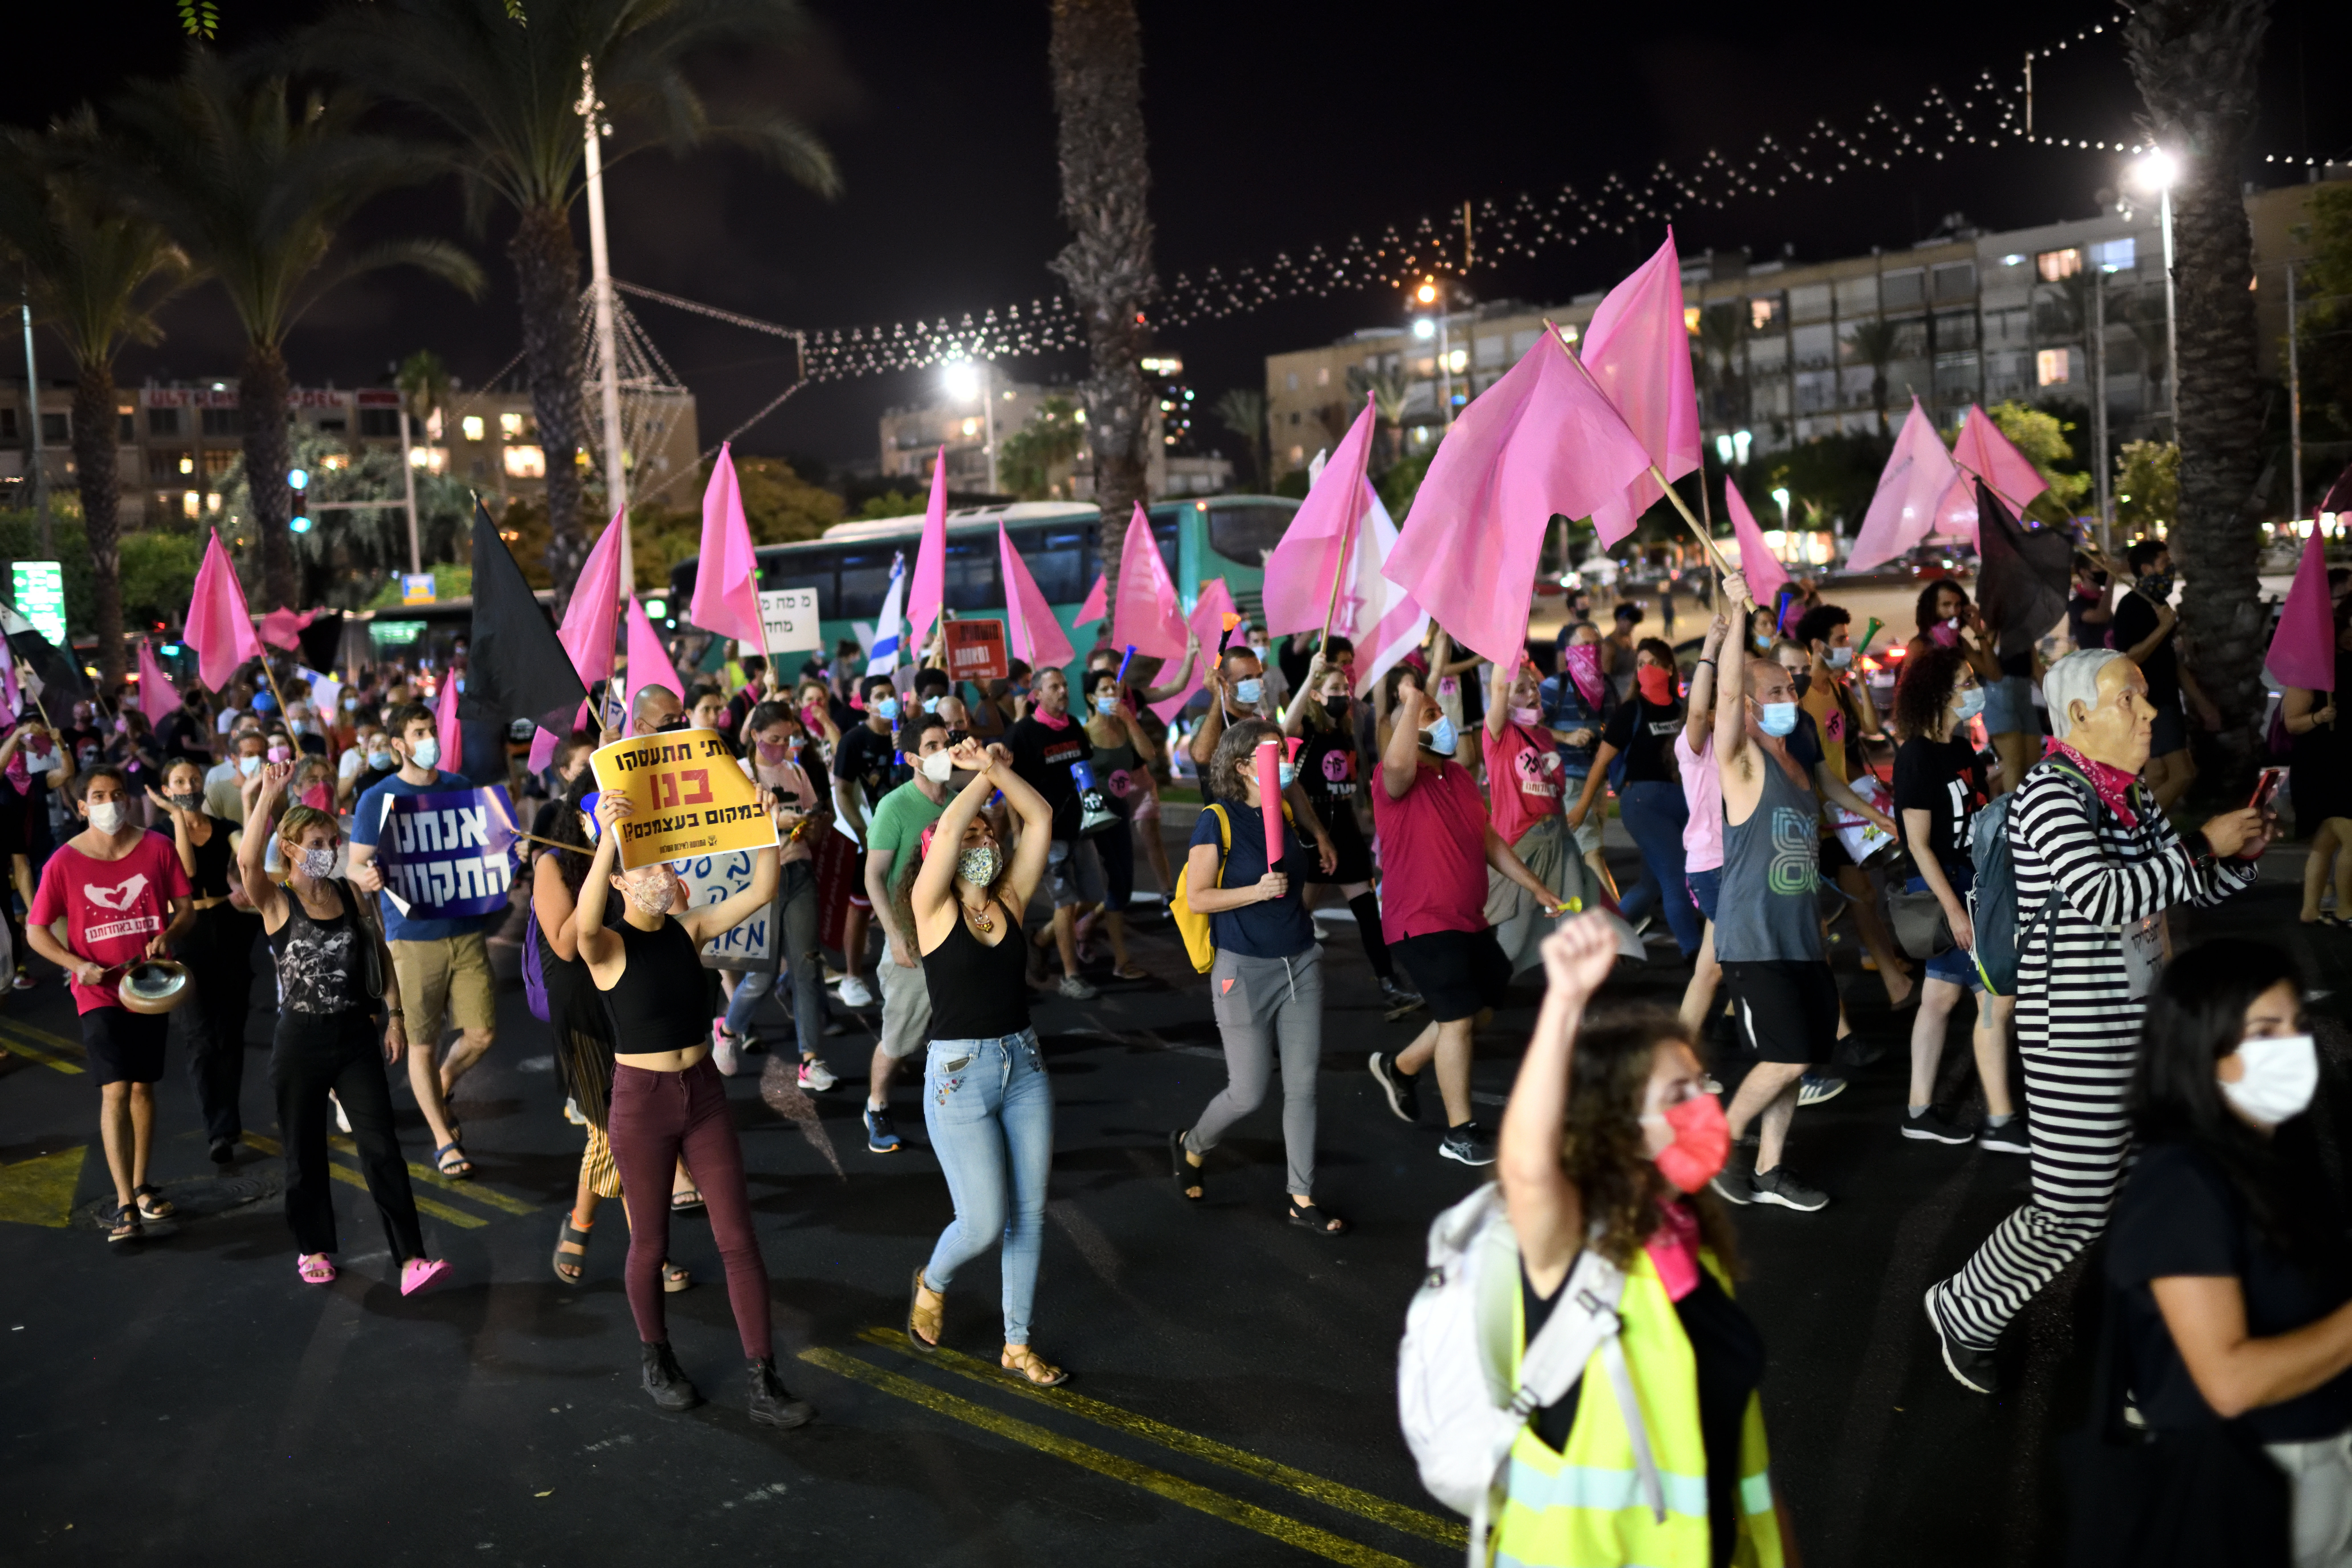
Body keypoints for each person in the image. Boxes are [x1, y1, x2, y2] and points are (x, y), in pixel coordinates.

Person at [1925, 648, 2270, 1394]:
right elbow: (2103, 896)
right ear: (2079, 716)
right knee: (2073, 1206)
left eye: (2147, 700)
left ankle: (2166, 1348)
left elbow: (2165, 883)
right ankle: (1963, 1307)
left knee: (2156, 1185)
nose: (2149, 714)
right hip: (2075, 1032)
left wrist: (2233, 859)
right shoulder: (2050, 795)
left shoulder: (2130, 796)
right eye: (2130, 701)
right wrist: (2204, 846)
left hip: (2141, 1020)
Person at [1492, 914, 1792, 1567]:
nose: (1705, 1106)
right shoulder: (1572, 1252)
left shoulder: (1688, 1239)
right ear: (1618, 1124)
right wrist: (1564, 1003)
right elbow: (1527, 1168)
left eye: (1700, 1084)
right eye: (1679, 1094)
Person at [2097, 941, 2352, 1567]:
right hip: (2247, 1489)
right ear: (2202, 1045)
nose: (2294, 1046)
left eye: (2296, 1025)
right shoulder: (2181, 1182)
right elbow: (2229, 1382)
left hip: (2321, 1462)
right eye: (2265, 1031)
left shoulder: (2275, 1154)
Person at [577, 787, 814, 1427]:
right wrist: (607, 841)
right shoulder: (608, 948)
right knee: (650, 1241)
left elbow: (764, 887)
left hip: (703, 1093)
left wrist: (765, 823)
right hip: (642, 1101)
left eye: (668, 863)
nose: (668, 875)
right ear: (624, 881)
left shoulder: (690, 927)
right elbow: (580, 927)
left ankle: (764, 1377)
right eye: (652, 868)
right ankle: (657, 1357)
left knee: (738, 1237)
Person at [239, 763, 452, 1295]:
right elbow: (246, 862)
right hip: (301, 1041)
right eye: (318, 840)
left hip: (355, 1035)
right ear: (290, 848)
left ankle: (411, 1258)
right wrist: (267, 795)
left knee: (382, 1146)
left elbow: (379, 953)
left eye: (333, 839)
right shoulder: (277, 900)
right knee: (304, 1150)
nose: (330, 847)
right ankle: (312, 1248)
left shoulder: (351, 894)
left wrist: (396, 1015)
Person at [901, 737, 1069, 1387]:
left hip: (1023, 1065)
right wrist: (975, 780)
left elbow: (1043, 819)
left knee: (1029, 1213)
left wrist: (998, 769)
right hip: (958, 1078)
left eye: (986, 830)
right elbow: (946, 825)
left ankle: (1017, 1343)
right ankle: (934, 1279)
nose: (980, 838)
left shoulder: (1011, 901)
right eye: (969, 833)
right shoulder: (931, 907)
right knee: (982, 1220)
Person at [1366, 672, 1565, 1167]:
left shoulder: (1457, 777)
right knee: (1457, 1019)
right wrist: (1411, 700)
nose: (1443, 720)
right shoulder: (1394, 778)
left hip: (1468, 917)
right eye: (1432, 714)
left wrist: (1536, 885)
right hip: (1420, 919)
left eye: (1439, 711)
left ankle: (1402, 1066)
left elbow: (1488, 840)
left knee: (1483, 1006)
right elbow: (1394, 760)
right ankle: (1460, 1131)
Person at [1170, 719, 1347, 1235]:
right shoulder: (1216, 819)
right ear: (1244, 765)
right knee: (1248, 1091)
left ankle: (1300, 1196)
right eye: (1276, 752)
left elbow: (1297, 804)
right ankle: (1192, 1144)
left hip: (1301, 964)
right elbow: (1199, 896)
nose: (1287, 758)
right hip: (1242, 971)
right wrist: (1257, 890)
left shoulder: (1283, 809)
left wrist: (1318, 835)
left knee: (1303, 1087)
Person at [1703, 574, 1839, 1213]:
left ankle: (1771, 1166)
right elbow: (1728, 692)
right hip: (1754, 938)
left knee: (1803, 1055)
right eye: (1779, 690)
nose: (1791, 695)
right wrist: (1734, 614)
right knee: (1786, 1057)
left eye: (1791, 687)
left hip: (1804, 940)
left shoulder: (1797, 767)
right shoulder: (1744, 762)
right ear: (1755, 707)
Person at [534, 770, 689, 1294]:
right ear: (582, 817)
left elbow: (677, 909)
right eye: (602, 811)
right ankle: (652, 1252)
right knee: (615, 1132)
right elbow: (565, 943)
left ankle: (580, 1222)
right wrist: (603, 863)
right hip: (583, 1013)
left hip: (628, 1002)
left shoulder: (638, 854)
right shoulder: (553, 864)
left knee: (614, 1132)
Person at [26, 765, 194, 1244]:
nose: (109, 803)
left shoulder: (158, 847)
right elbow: (36, 929)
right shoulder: (63, 861)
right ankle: (124, 1203)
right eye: (98, 795)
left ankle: (142, 1184)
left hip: (149, 985)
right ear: (81, 807)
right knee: (116, 1089)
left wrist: (168, 934)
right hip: (97, 992)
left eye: (117, 793)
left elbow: (184, 908)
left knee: (143, 1088)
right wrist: (75, 964)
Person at [346, 702, 498, 1179]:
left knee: (482, 1033)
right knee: (422, 1043)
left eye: (432, 728)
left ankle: (446, 1080)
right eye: (419, 731)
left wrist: (506, 849)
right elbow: (354, 863)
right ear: (398, 745)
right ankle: (443, 1138)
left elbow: (485, 844)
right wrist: (364, 877)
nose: (430, 737)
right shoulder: (377, 798)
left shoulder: (458, 787)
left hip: (466, 930)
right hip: (412, 936)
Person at [1887, 645, 2025, 1154]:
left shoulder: (1961, 747)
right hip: (1948, 889)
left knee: (1940, 998)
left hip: (1971, 882)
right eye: (1966, 681)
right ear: (1941, 692)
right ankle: (2001, 1119)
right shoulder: (1916, 756)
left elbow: (1975, 812)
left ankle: (1919, 1110)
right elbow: (1917, 843)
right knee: (1993, 997)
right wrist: (1951, 907)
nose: (1975, 689)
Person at [1792, 602, 1914, 1007]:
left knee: (1863, 894)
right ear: (1817, 645)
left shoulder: (1837, 691)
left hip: (1842, 810)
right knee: (1829, 911)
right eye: (1841, 640)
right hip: (1820, 816)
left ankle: (1895, 982)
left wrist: (1859, 681)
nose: (1848, 645)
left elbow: (1869, 730)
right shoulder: (1802, 697)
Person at [1283, 652, 1415, 1012]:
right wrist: (1310, 678)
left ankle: (1390, 983)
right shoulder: (1306, 731)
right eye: (1334, 688)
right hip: (1312, 835)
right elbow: (1285, 730)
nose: (1344, 693)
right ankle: (1281, 984)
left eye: (1346, 686)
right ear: (1315, 694)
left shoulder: (1345, 730)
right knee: (1297, 918)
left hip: (1345, 831)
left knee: (1369, 914)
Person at [714, 701, 836, 1089]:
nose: (781, 747)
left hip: (798, 870)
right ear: (754, 736)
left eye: (787, 740)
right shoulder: (738, 774)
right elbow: (724, 830)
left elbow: (812, 818)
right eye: (773, 740)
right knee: (760, 975)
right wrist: (772, 823)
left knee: (806, 967)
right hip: (756, 880)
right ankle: (730, 1030)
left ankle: (810, 1060)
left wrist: (811, 824)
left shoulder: (796, 771)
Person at [146, 758, 260, 1165]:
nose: (189, 786)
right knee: (199, 1036)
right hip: (186, 935)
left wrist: (249, 799)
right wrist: (177, 817)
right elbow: (186, 870)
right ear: (165, 789)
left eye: (195, 779)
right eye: (179, 781)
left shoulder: (224, 828)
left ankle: (229, 1122)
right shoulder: (158, 836)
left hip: (230, 931)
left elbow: (248, 858)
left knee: (230, 1034)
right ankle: (218, 1130)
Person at [860, 711, 959, 1154]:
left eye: (947, 742)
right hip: (912, 942)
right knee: (901, 1037)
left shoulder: (958, 800)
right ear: (912, 759)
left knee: (957, 1030)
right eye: (934, 747)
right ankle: (877, 1106)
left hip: (954, 936)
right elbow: (874, 877)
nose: (945, 752)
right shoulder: (894, 807)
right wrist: (894, 937)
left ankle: (954, 1110)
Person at [1568, 636, 1702, 959]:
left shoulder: (1684, 711)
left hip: (1682, 802)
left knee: (1651, 884)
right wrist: (1582, 807)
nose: (1646, 669)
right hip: (1644, 802)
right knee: (1675, 877)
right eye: (1640, 664)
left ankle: (1602, 940)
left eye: (1653, 662)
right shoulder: (1631, 711)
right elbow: (1601, 762)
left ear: (1670, 668)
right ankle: (1695, 953)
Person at [1004, 666, 1105, 1001]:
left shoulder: (1075, 726)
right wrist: (1019, 834)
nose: (1064, 691)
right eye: (1055, 686)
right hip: (1046, 833)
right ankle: (1071, 976)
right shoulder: (1022, 734)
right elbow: (1008, 788)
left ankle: (1041, 940)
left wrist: (1094, 809)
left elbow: (1085, 771)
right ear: (1037, 694)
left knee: (1093, 896)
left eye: (1065, 684)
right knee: (1066, 903)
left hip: (1081, 828)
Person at [1484, 654, 1581, 972]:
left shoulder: (1543, 735)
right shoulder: (1498, 734)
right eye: (1521, 690)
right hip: (1521, 843)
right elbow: (1499, 686)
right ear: (1505, 700)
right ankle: (1469, 1003)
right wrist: (1505, 641)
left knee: (1572, 925)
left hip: (1559, 837)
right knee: (1513, 940)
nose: (1533, 694)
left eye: (1534, 686)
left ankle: (1575, 1014)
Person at [2112, 540, 2218, 812]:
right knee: (2182, 773)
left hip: (2167, 698)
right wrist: (2163, 629)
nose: (2171, 571)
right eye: (2165, 565)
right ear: (2147, 569)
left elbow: (2171, 662)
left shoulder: (2158, 606)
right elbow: (2129, 659)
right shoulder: (2131, 606)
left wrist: (2201, 703)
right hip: (2152, 702)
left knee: (2157, 776)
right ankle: (2142, 829)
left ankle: (2145, 833)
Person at [830, 673, 904, 1009]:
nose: (889, 699)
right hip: (871, 836)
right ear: (865, 704)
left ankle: (905, 970)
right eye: (880, 695)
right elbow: (842, 791)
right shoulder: (854, 741)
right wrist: (863, 833)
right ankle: (853, 976)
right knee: (860, 906)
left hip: (907, 831)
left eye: (891, 693)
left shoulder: (907, 735)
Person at [1077, 666, 1154, 980]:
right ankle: (1121, 960)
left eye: (1115, 689)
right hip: (1096, 815)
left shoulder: (1124, 728)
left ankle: (1057, 935)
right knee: (1109, 885)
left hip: (1120, 810)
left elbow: (1148, 753)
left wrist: (1129, 719)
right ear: (1092, 698)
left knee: (1122, 884)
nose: (1113, 695)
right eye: (1106, 690)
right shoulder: (1084, 734)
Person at [1675, 613, 1729, 1042]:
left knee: (1710, 970)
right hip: (1713, 868)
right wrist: (1710, 648)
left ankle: (1674, 1062)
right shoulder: (1694, 747)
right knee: (1756, 961)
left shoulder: (1741, 746)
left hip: (1735, 865)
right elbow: (1697, 708)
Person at [2281, 602, 2352, 927]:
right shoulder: (2312, 670)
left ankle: (2311, 909)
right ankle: (2345, 909)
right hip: (2322, 768)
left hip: (2343, 764)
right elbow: (2292, 723)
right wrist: (2319, 717)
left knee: (2325, 842)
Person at [1542, 620, 1619, 898]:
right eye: (1586, 645)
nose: (1593, 651)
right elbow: (1526, 726)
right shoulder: (1554, 687)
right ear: (1570, 651)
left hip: (1598, 781)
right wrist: (1566, 737)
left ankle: (1585, 912)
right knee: (1593, 851)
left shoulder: (1606, 687)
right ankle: (1619, 919)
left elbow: (1614, 733)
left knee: (1585, 852)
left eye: (1597, 645)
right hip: (1569, 782)